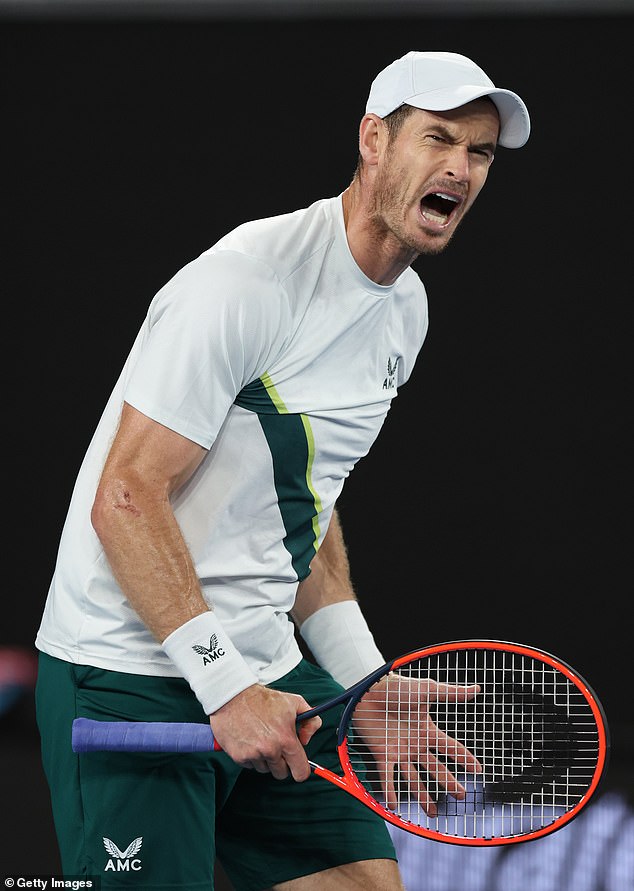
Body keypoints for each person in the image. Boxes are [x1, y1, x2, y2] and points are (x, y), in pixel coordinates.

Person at [35, 50, 530, 890]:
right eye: (439, 138)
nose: (461, 167)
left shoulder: (404, 311)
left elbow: (305, 500)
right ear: (374, 140)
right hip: (131, 670)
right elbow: (124, 496)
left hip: (265, 668)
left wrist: (359, 677)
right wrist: (225, 688)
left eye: (479, 152)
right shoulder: (247, 282)